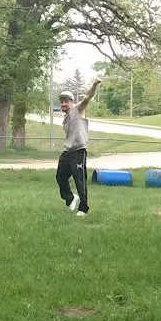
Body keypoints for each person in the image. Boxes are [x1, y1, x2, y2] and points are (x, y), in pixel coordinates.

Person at [55, 78, 102, 217]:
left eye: (66, 101)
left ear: (72, 102)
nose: (63, 104)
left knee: (79, 180)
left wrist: (94, 84)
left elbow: (88, 98)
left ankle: (83, 208)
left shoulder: (77, 110)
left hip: (78, 152)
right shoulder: (65, 117)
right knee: (60, 177)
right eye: (62, 101)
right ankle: (70, 198)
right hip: (68, 152)